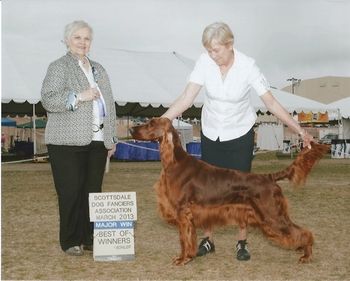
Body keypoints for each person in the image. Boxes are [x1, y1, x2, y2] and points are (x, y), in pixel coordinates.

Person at [162, 22, 313, 261]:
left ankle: (242, 242)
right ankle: (208, 239)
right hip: (212, 133)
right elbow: (186, 98)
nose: (212, 55)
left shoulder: (248, 66)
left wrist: (299, 130)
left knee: (243, 192)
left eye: (217, 50)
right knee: (206, 192)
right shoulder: (204, 63)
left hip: (239, 135)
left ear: (230, 45)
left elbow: (271, 104)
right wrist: (162, 121)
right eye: (209, 51)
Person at [41, 20, 117, 256]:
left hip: (97, 141)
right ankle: (71, 240)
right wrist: (79, 96)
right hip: (65, 141)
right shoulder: (59, 67)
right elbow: (49, 99)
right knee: (70, 192)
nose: (83, 42)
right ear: (67, 40)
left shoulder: (99, 69)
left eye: (87, 39)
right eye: (78, 38)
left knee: (92, 191)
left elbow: (110, 105)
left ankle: (89, 237)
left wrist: (111, 136)